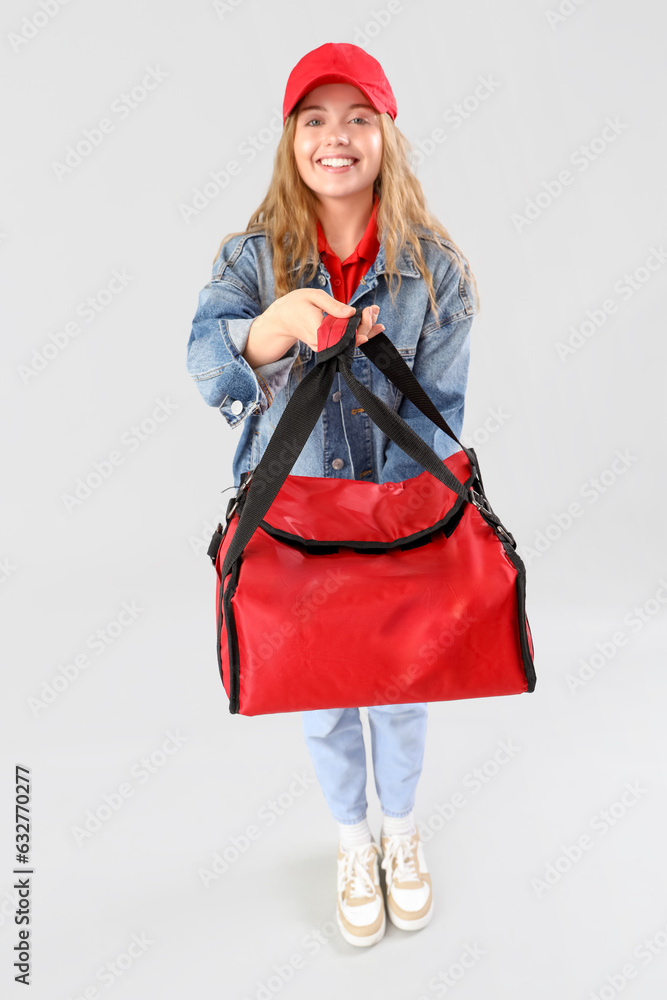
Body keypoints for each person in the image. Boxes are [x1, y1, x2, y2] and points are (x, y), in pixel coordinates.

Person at [186, 42, 479, 948]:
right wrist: (272, 328)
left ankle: (400, 833)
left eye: (357, 117)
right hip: (293, 521)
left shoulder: (436, 270)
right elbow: (206, 363)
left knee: (398, 687)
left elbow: (442, 417)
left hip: (395, 523)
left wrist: (407, 531)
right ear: (291, 139)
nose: (336, 137)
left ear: (385, 134)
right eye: (314, 119)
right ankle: (351, 842)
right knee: (321, 690)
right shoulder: (252, 258)